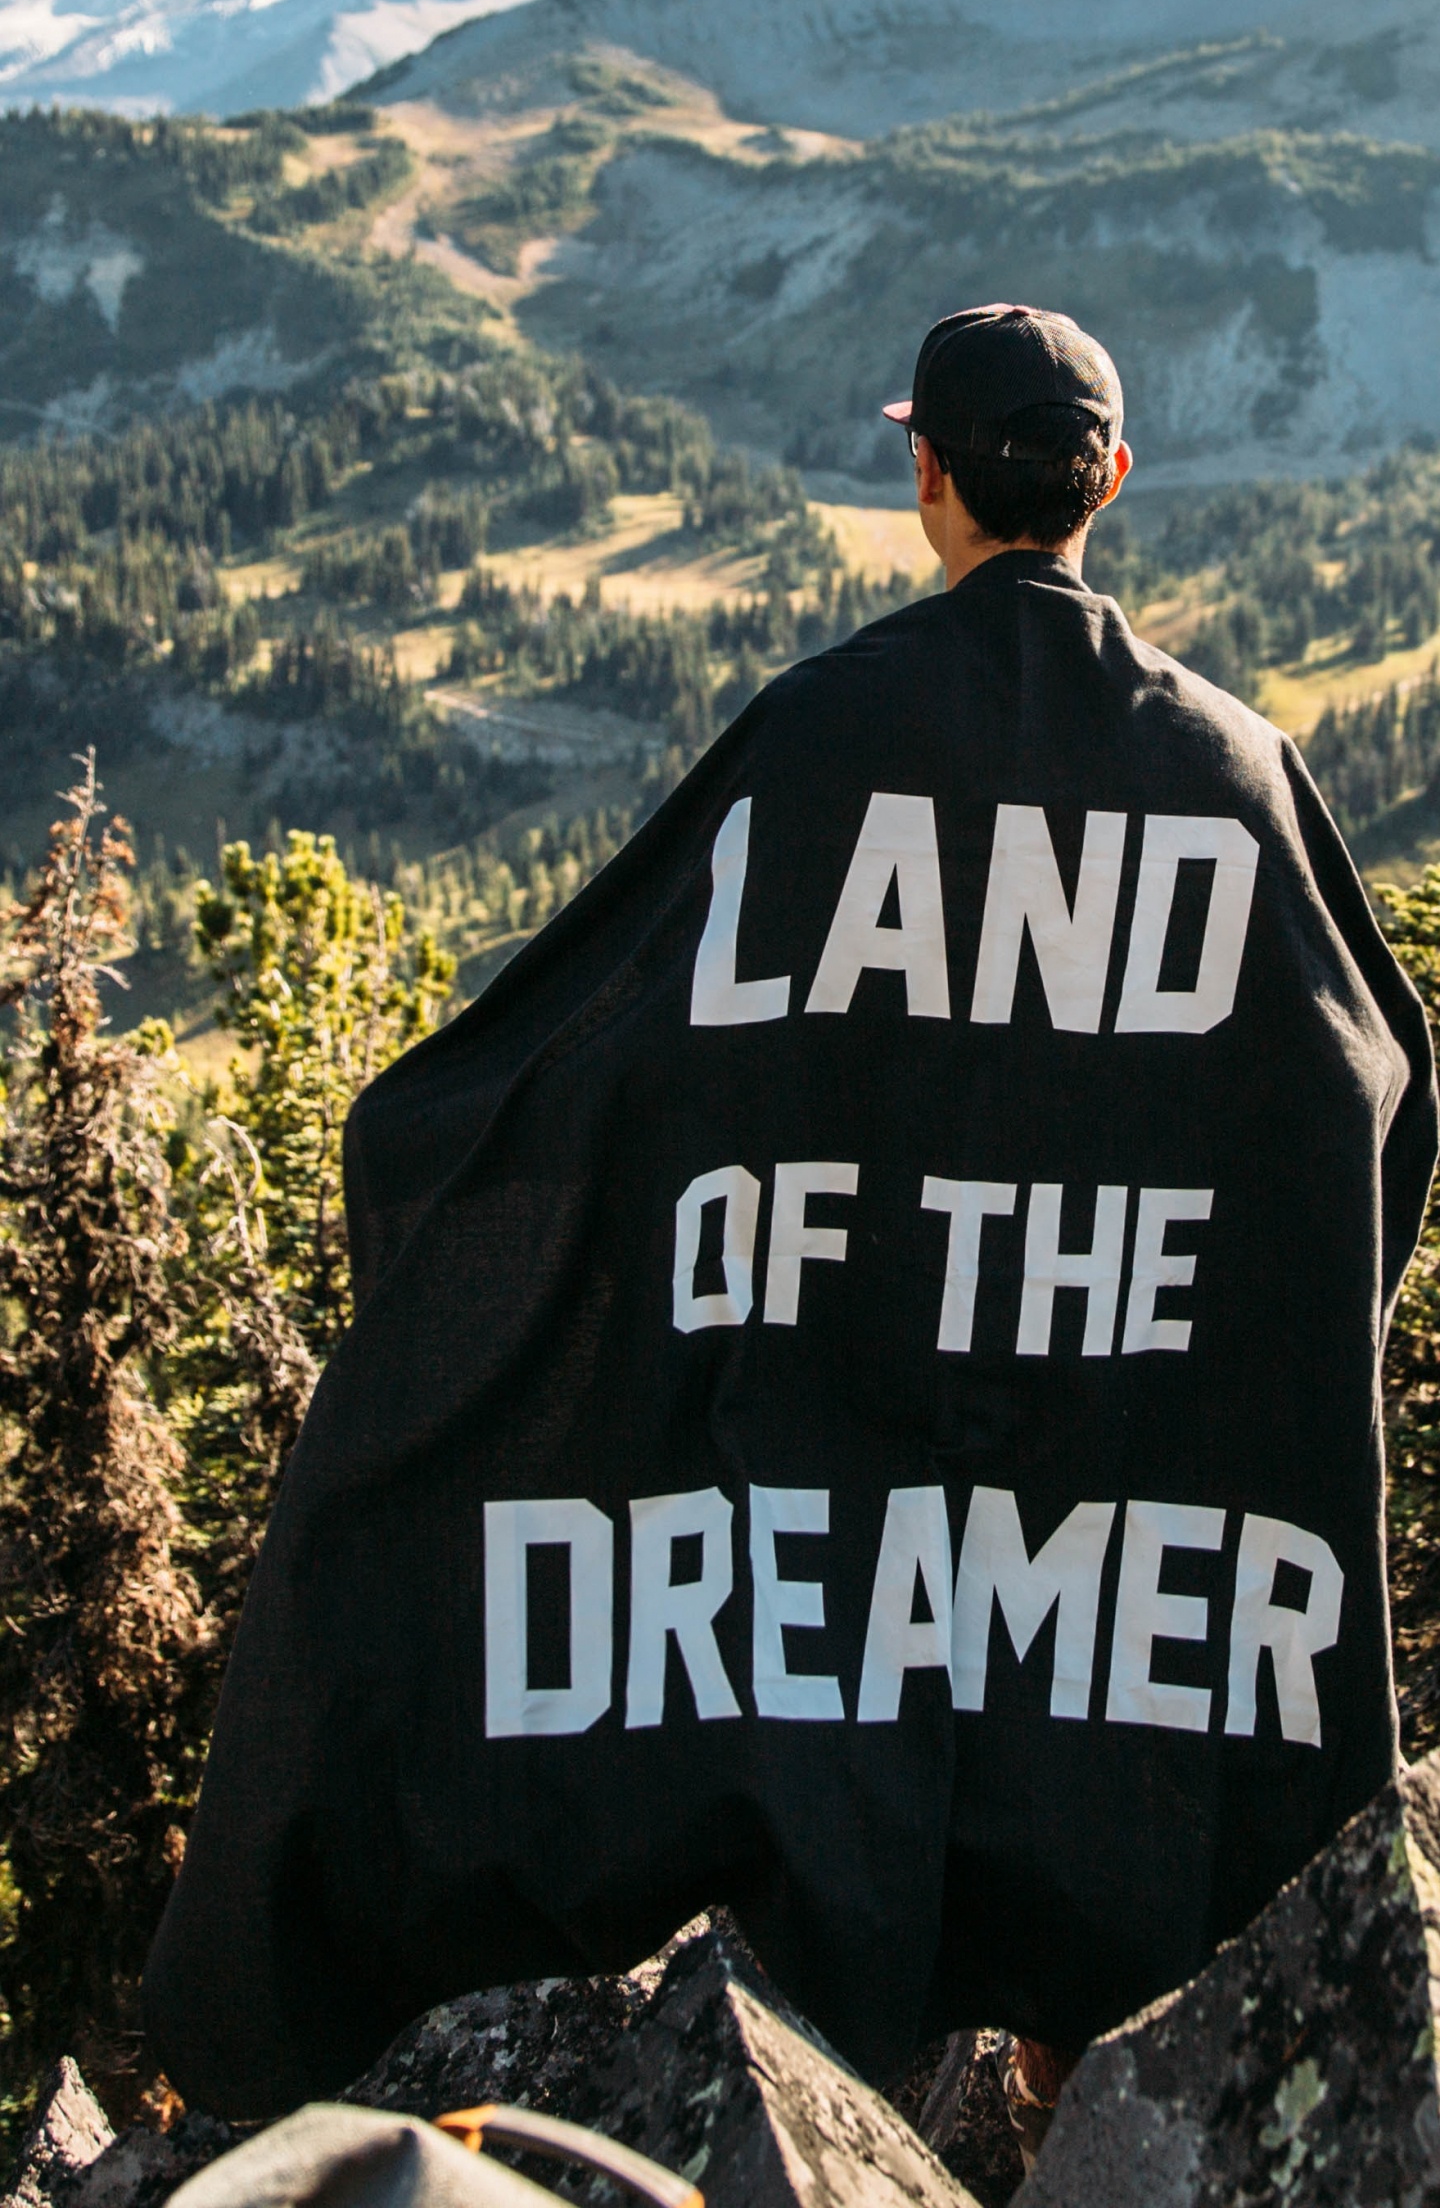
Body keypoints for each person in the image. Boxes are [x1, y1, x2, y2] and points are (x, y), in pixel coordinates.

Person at [146, 303, 1437, 2131]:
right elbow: (1373, 1102)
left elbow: (589, 1048)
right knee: (1111, 1823)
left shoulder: (818, 740)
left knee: (852, 1722)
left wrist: (443, 1190)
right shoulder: (1233, 772)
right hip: (1122, 1505)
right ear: (1111, 483)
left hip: (848, 1494)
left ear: (926, 478)